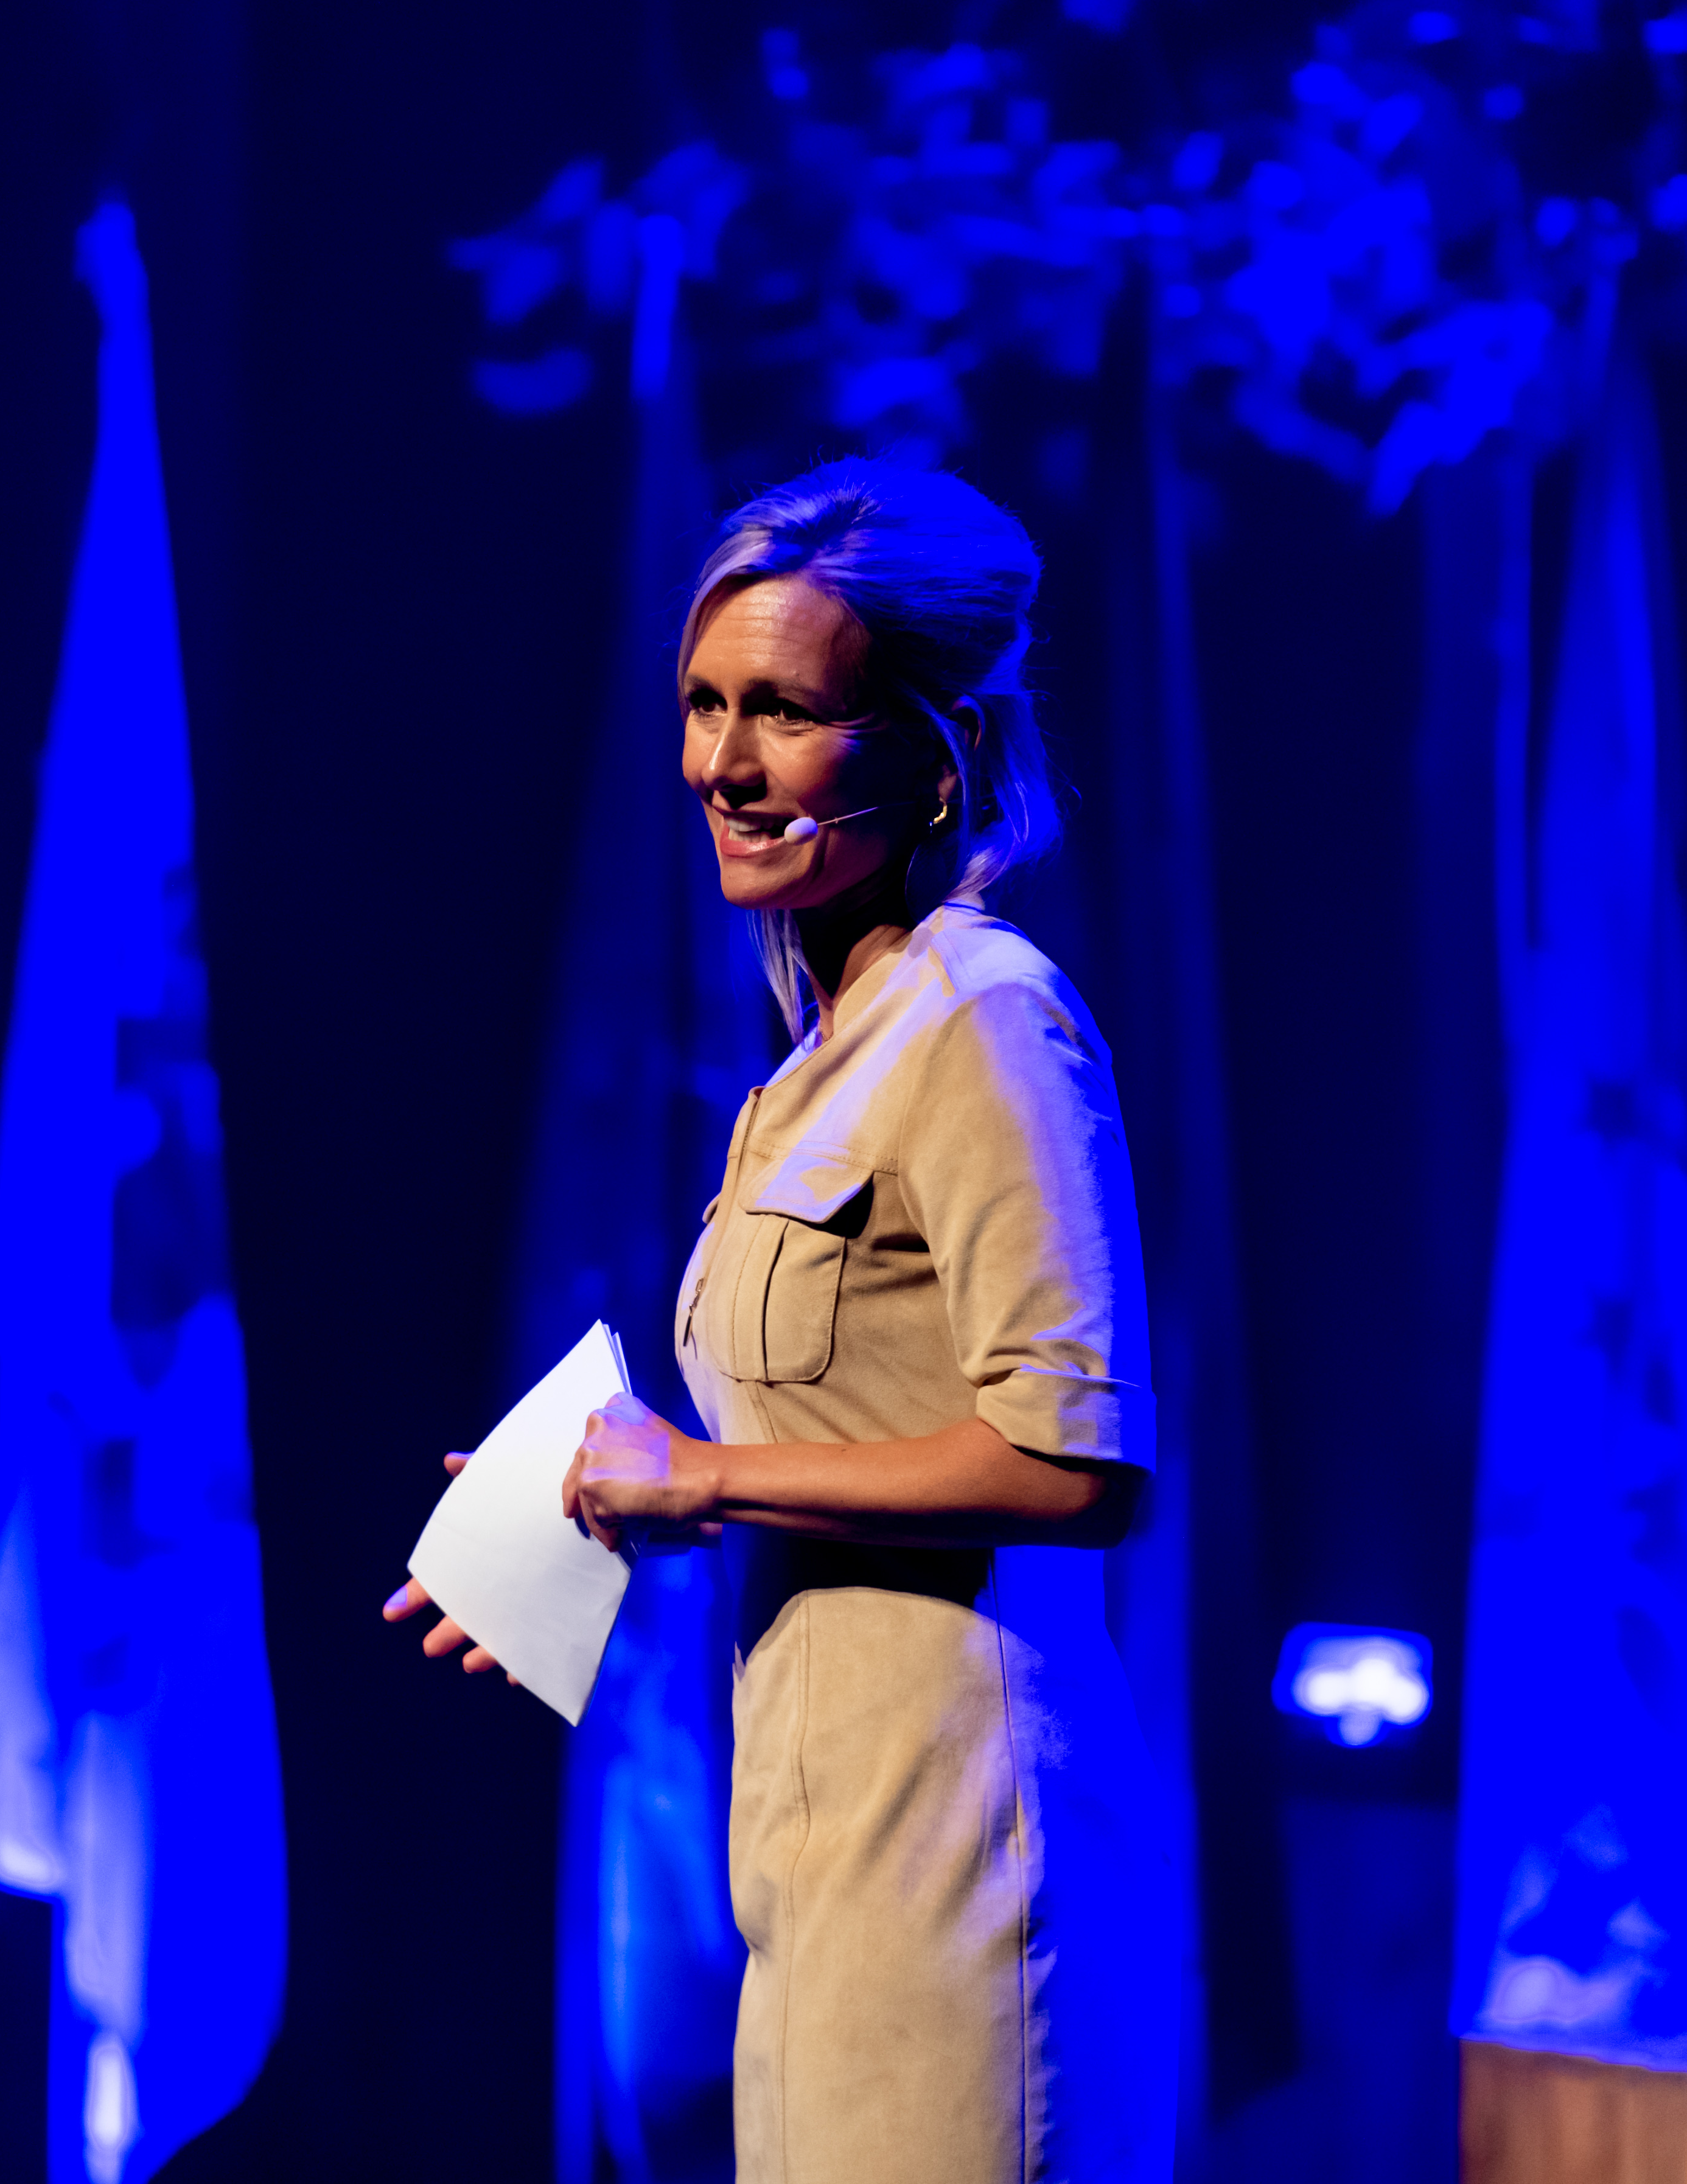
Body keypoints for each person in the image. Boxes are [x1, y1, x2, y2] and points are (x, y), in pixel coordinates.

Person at [385, 460, 1172, 2183]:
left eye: (788, 715)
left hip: (970, 1864)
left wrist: (702, 1479)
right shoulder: (819, 1064)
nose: (723, 766)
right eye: (705, 704)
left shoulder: (989, 1016)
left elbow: (1074, 1464)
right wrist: (584, 1499)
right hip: (815, 1866)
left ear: (937, 754)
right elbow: (827, 1430)